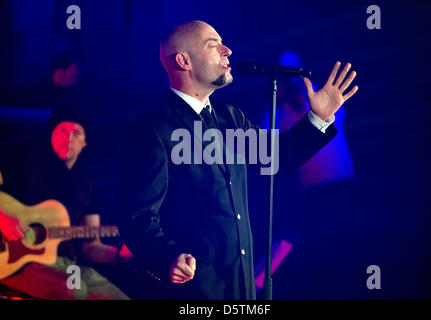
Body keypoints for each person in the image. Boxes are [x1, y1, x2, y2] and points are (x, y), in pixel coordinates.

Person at [119, 20, 358, 300]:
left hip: (240, 286)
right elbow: (137, 217)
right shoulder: (153, 130)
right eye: (213, 45)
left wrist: (317, 118)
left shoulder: (229, 117)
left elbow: (276, 156)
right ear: (184, 60)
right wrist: (167, 257)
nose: (227, 50)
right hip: (195, 290)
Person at [0, 110, 131, 299]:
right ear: (51, 134)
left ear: (85, 142)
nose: (69, 138)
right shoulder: (25, 162)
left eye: (76, 132)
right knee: (75, 290)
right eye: (62, 130)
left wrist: (119, 254)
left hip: (70, 264)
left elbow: (91, 245)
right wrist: (2, 217)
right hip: (20, 262)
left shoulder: (88, 183)